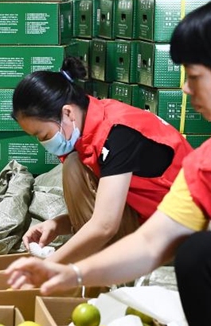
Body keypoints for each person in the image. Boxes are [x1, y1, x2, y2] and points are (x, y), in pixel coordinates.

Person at [5, 0, 211, 326]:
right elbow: (152, 243)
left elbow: (106, 224)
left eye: (195, 77)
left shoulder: (119, 132)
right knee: (205, 255)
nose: (185, 89)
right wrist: (73, 272)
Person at [11, 56, 192, 264]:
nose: (44, 143)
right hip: (149, 218)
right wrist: (56, 225)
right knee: (74, 165)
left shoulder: (117, 134)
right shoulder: (90, 131)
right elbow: (105, 211)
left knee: (73, 168)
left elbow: (105, 225)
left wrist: (51, 266)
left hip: (176, 232)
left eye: (43, 135)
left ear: (67, 112)